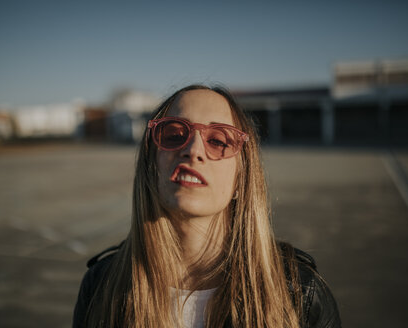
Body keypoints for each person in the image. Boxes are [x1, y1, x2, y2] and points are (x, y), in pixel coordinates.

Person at [73, 85, 341, 328]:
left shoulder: (301, 294)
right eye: (174, 134)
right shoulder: (101, 285)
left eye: (218, 140)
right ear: (151, 164)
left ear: (241, 179)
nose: (193, 149)